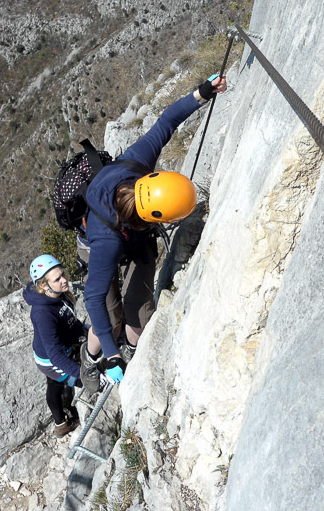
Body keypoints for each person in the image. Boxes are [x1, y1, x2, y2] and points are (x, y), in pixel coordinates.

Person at [78, 74, 228, 392]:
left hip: (135, 238)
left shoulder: (138, 164)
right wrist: (110, 352)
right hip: (96, 246)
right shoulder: (105, 242)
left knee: (139, 311)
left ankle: (134, 351)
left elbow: (166, 121)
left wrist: (201, 93)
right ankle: (89, 360)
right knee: (109, 315)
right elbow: (91, 296)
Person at [23, 254, 87, 437]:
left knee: (56, 385)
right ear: (43, 285)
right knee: (58, 384)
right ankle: (61, 424)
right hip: (50, 359)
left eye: (63, 275)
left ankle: (61, 419)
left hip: (61, 348)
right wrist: (82, 374)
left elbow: (70, 321)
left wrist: (85, 330)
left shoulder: (59, 295)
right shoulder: (42, 313)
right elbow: (55, 356)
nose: (64, 280)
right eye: (57, 279)